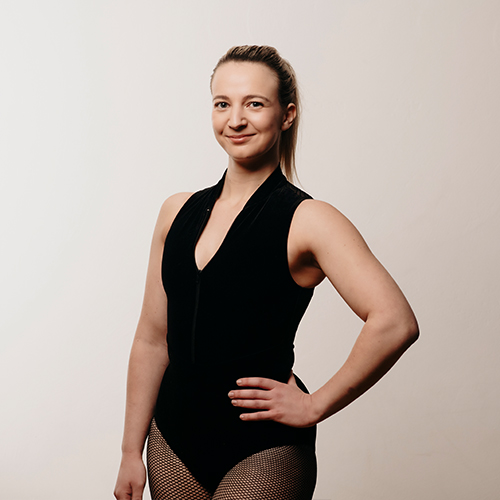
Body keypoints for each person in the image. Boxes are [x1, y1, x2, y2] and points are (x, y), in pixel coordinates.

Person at [113, 45, 419, 500]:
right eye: (223, 104)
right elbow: (152, 339)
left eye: (254, 104)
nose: (235, 120)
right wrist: (129, 451)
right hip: (171, 441)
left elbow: (395, 321)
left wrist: (314, 405)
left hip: (262, 446)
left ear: (287, 115)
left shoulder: (309, 220)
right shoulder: (175, 212)